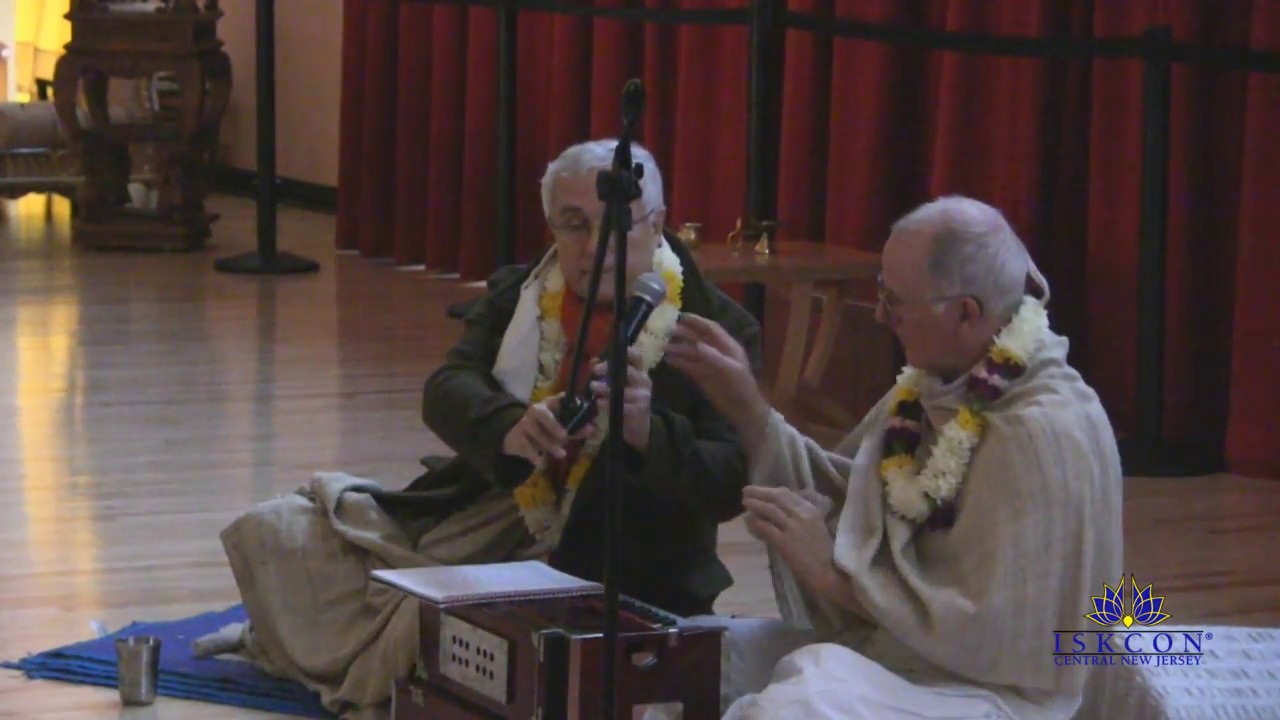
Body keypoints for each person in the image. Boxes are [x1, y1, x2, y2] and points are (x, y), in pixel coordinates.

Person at [197, 139, 762, 718]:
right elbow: (447, 386)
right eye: (574, 225)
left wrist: (647, 432)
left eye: (617, 224)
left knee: (439, 631)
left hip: (618, 570)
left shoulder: (717, 331)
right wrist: (509, 426)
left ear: (658, 224)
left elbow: (728, 480)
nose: (596, 247)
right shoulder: (524, 292)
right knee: (278, 530)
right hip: (488, 520)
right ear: (552, 227)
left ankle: (343, 647)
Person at [664, 196, 1123, 719]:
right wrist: (746, 405)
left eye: (895, 300)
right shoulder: (939, 382)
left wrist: (830, 574)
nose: (881, 315)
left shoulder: (1041, 434)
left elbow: (994, 635)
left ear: (965, 313)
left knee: (799, 703)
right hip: (899, 655)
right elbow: (859, 496)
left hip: (993, 694)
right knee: (695, 657)